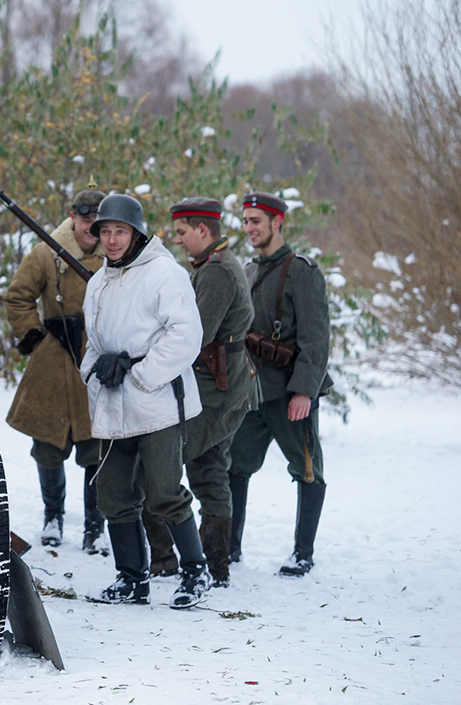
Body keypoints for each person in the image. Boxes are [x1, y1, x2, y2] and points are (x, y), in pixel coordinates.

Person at [80, 193, 211, 608]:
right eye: (105, 232)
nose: (112, 240)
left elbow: (186, 335)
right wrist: (93, 372)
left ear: (136, 233)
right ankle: (132, 579)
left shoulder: (164, 274)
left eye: (120, 231)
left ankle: (195, 571)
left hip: (157, 402)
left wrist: (141, 374)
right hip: (114, 399)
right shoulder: (98, 281)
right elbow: (94, 344)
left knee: (164, 491)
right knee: (113, 494)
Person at [140, 197, 259, 587]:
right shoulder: (213, 266)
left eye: (181, 232)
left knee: (159, 471)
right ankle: (214, 567)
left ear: (202, 230)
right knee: (209, 473)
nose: (177, 240)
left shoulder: (218, 272)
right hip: (218, 387)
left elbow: (196, 334)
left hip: (216, 392)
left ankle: (166, 561)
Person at [229, 191, 333, 577]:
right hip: (253, 392)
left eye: (256, 221)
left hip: (290, 391)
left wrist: (305, 390)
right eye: (245, 221)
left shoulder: (302, 271)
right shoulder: (249, 269)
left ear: (277, 222)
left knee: (307, 469)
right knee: (234, 466)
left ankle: (302, 553)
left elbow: (316, 338)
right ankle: (229, 547)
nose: (249, 228)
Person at [2, 189, 107, 551]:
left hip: (98, 359)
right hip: (53, 361)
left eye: (98, 218)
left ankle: (96, 525)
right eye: (85, 218)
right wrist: (35, 337)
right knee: (47, 446)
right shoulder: (47, 252)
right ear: (73, 217)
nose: (91, 225)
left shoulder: (117, 254)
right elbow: (18, 296)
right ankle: (53, 517)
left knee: (97, 447)